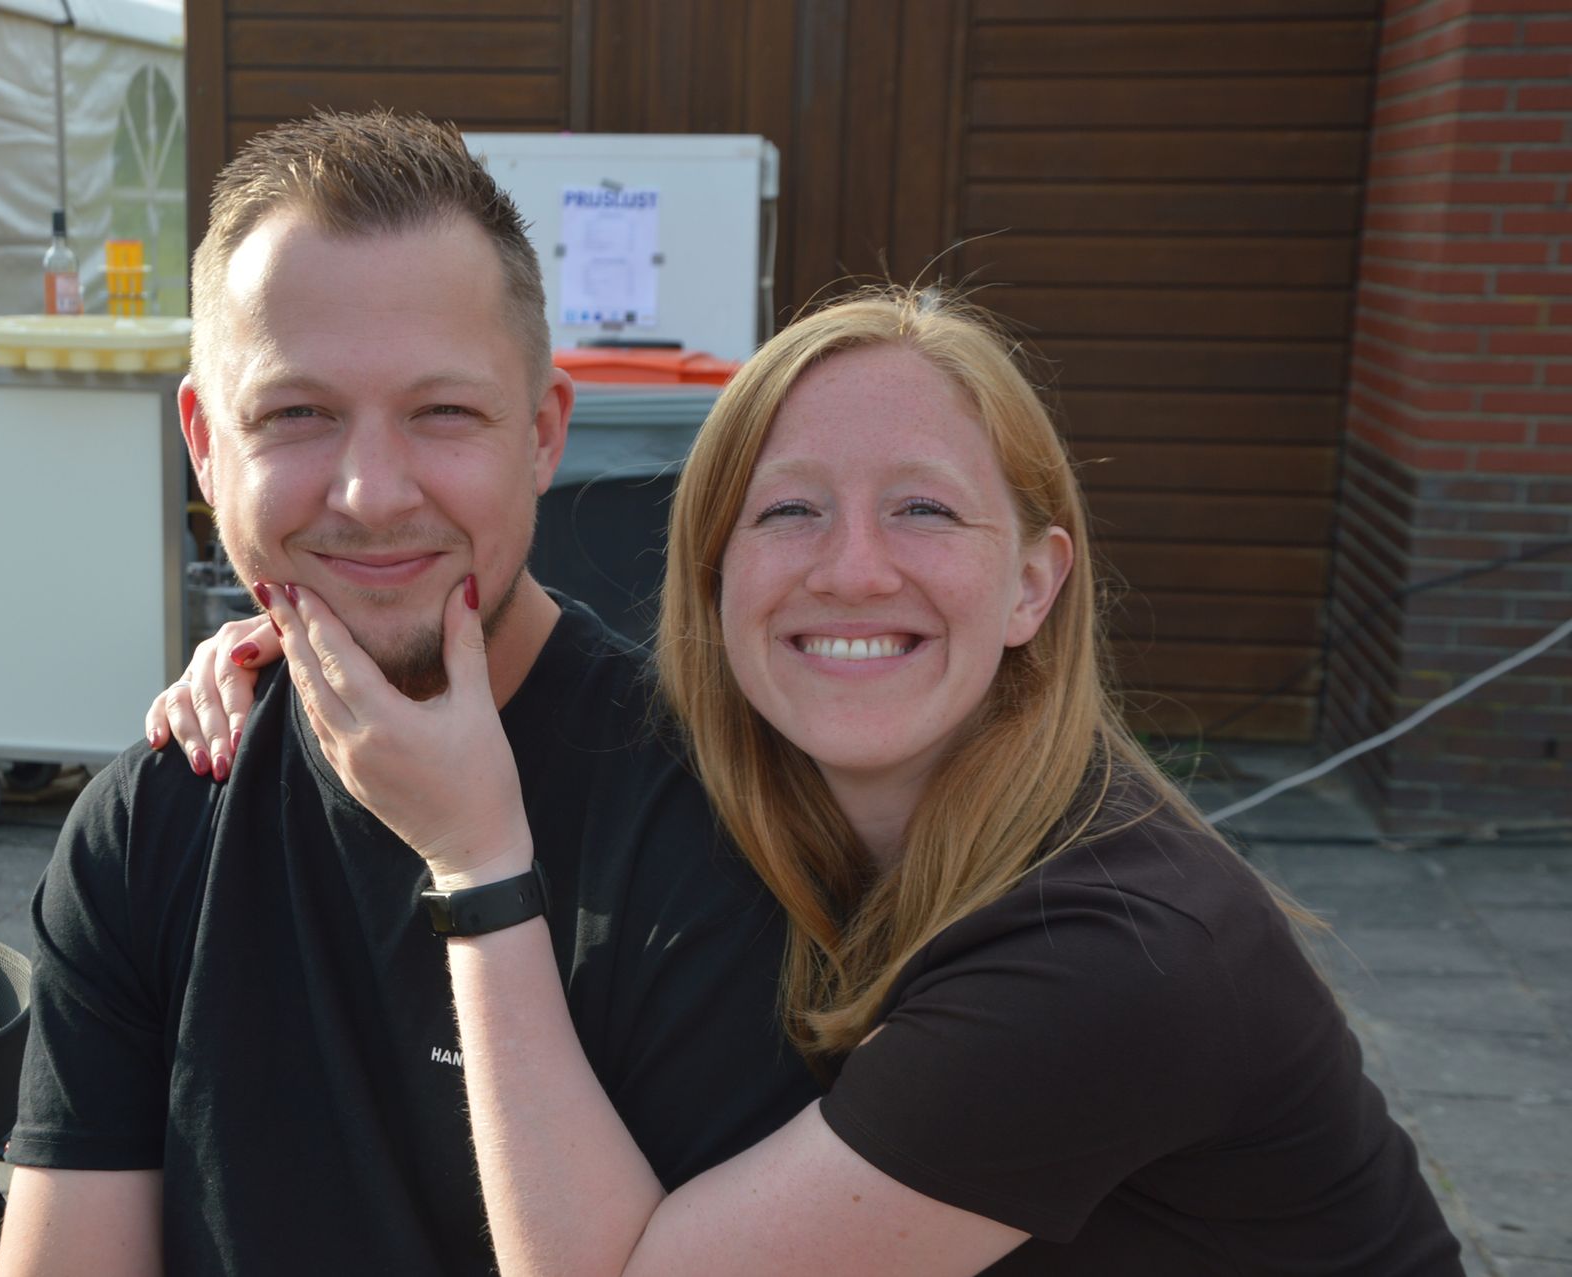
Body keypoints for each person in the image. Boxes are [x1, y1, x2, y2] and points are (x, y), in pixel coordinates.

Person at [173, 289, 1466, 1273]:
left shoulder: (1112, 958)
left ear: (1032, 584)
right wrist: (329, 638)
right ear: (716, 578)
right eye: (789, 511)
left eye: (923, 509)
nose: (851, 570)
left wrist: (476, 864)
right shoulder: (799, 803)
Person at [0, 111, 815, 1277]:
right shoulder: (147, 825)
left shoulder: (722, 821)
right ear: (205, 444)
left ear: (542, 434)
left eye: (443, 412)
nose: (371, 493)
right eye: (296, 413)